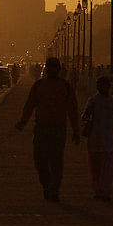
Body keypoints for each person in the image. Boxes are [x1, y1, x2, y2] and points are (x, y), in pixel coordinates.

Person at [15, 57, 79, 202]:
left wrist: (76, 130)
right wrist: (23, 122)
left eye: (54, 67)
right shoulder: (39, 86)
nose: (52, 70)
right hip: (41, 129)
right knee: (40, 160)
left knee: (56, 162)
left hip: (58, 130)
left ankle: (54, 190)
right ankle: (47, 185)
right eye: (50, 67)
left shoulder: (65, 86)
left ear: (59, 70)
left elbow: (73, 110)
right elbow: (29, 106)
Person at [81, 76, 113, 202]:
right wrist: (89, 110)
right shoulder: (93, 101)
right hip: (96, 138)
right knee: (96, 166)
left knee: (108, 167)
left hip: (109, 139)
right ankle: (98, 190)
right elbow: (84, 117)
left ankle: (105, 191)